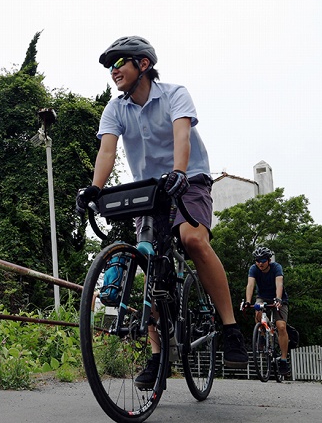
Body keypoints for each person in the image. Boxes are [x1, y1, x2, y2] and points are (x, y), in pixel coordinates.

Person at [76, 36, 248, 389]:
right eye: (110, 66)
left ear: (143, 64)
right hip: (148, 192)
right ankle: (157, 357)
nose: (113, 71)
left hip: (189, 178)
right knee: (148, 261)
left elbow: (181, 137)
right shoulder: (115, 109)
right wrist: (95, 188)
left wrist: (180, 173)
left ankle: (230, 328)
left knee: (192, 239)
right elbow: (107, 152)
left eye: (119, 63)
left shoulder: (174, 94)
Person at [243, 246, 290, 375]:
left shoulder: (276, 267)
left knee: (281, 326)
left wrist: (278, 299)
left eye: (263, 260)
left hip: (279, 298)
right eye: (257, 260)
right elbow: (250, 284)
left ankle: (284, 360)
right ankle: (262, 336)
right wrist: (247, 301)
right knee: (257, 312)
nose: (260, 263)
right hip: (262, 297)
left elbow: (279, 284)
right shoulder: (254, 269)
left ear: (269, 260)